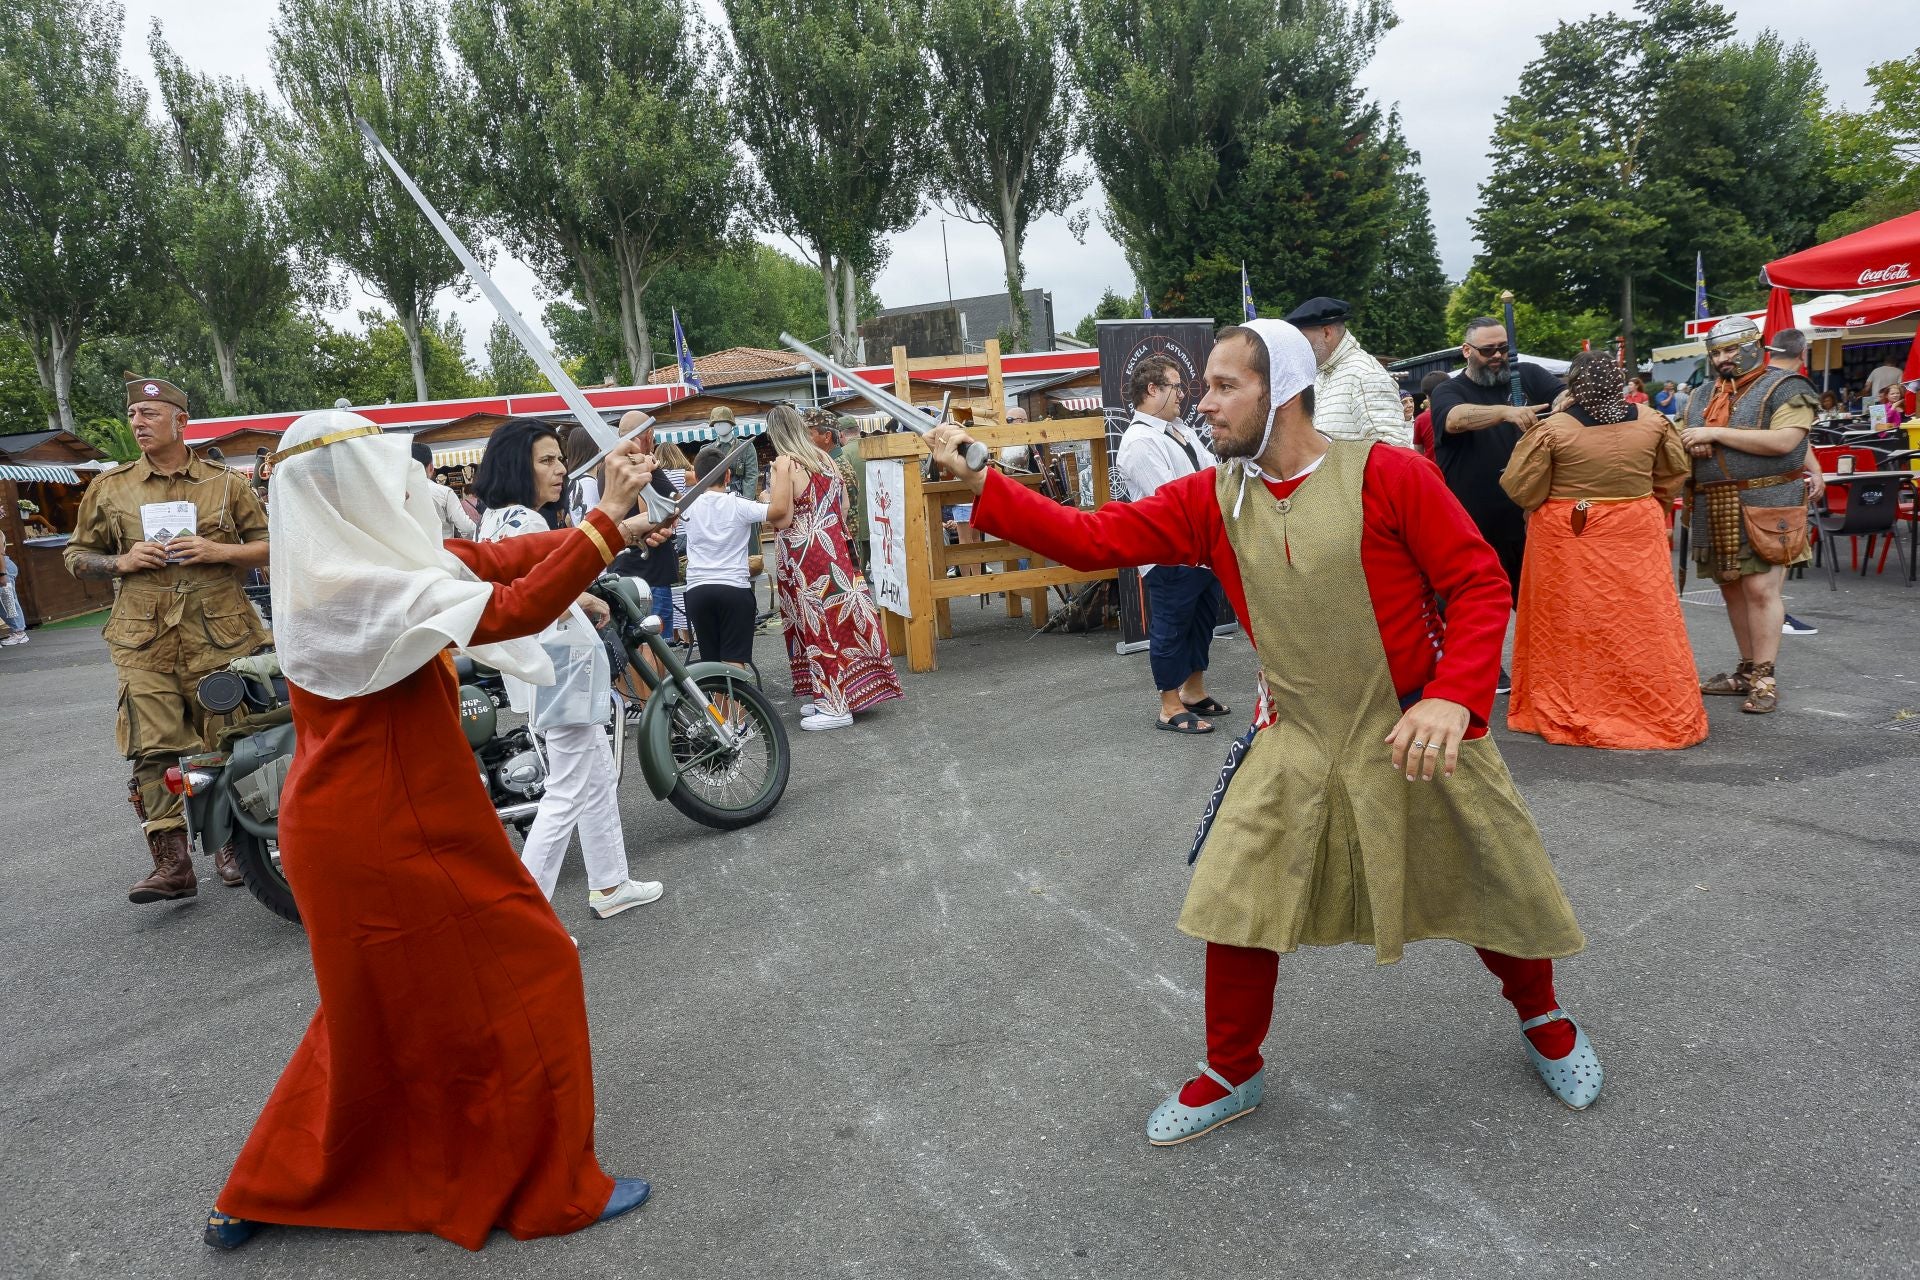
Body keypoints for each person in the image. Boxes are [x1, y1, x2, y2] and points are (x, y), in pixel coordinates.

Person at [929, 319, 1599, 1145]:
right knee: (1236, 897)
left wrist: (1453, 699)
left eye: (1221, 386)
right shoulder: (1216, 496)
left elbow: (1477, 584)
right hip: (1297, 733)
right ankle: (1230, 1071)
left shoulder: (1390, 475)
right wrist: (986, 479)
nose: (1202, 403)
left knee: (1492, 880)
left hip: (1414, 729)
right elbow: (1094, 537)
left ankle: (1544, 1019)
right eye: (1204, 387)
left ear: (1279, 390)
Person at [205, 411, 654, 1253]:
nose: (401, 479)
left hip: (347, 824)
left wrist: (615, 528)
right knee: (535, 970)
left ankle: (260, 1187)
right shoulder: (360, 586)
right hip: (393, 825)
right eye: (381, 469)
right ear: (349, 487)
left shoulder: (341, 566)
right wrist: (598, 527)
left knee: (365, 1014)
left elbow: (485, 561)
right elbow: (511, 608)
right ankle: (553, 1190)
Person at [62, 373, 271, 900]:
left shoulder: (226, 484)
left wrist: (220, 552)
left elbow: (272, 544)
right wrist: (121, 560)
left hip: (220, 637)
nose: (138, 423)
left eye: (150, 415)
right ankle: (171, 864)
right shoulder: (111, 488)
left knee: (229, 742)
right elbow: (76, 555)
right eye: (133, 415)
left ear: (181, 422)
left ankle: (233, 848)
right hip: (143, 639)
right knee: (151, 750)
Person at [472, 418, 663, 920]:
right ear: (519, 466)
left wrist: (581, 597)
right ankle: (525, 920)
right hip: (559, 666)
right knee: (569, 787)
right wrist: (582, 594)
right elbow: (542, 594)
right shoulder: (526, 522)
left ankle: (610, 882)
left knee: (595, 772)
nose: (560, 469)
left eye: (559, 458)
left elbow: (527, 585)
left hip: (543, 668)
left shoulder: (493, 519)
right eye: (547, 460)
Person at [1499, 352, 1705, 750]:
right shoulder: (1654, 422)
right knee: (1643, 620)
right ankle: (1649, 701)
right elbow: (1673, 473)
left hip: (1570, 533)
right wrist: (1641, 500)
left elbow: (1522, 487)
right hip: (1636, 527)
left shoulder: (1553, 429)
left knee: (1568, 622)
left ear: (1574, 386)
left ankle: (1578, 697)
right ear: (1621, 383)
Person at [1681, 315, 1817, 715]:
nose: (1724, 358)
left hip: (1770, 500)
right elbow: (1682, 437)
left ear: (1754, 346)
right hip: (1714, 502)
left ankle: (1765, 676)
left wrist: (1714, 434)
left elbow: (1786, 440)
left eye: (1731, 349)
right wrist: (1691, 444)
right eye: (1717, 351)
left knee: (1761, 590)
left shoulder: (1786, 386)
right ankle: (1745, 669)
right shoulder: (1702, 395)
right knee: (1731, 589)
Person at [1428, 317, 1567, 693]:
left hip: (1528, 518)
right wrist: (1505, 413)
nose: (1497, 357)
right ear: (1467, 351)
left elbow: (1565, 398)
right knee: (1470, 604)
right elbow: (1454, 420)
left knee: (1537, 600)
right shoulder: (1450, 390)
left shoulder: (1530, 375)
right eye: (1488, 350)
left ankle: (1545, 669)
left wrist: (1565, 403)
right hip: (1472, 522)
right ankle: (1479, 671)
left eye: (1503, 349)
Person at [765, 404, 903, 731]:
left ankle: (835, 704)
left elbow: (781, 516)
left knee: (816, 625)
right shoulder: (824, 458)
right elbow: (843, 505)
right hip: (834, 548)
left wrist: (765, 500)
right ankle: (840, 694)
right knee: (838, 621)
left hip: (803, 555)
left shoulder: (785, 464)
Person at [1116, 353, 1230, 734]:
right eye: (1176, 386)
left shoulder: (1179, 429)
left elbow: (1212, 474)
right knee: (1170, 627)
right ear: (1153, 389)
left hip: (1201, 549)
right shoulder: (1139, 440)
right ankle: (1169, 705)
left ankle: (1193, 691)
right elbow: (1167, 499)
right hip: (1169, 554)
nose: (1183, 394)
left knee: (1201, 622)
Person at [683, 443, 793, 669]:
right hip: (733, 588)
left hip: (697, 589)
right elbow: (779, 510)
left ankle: (717, 705)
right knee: (734, 663)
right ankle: (736, 706)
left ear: (695, 476)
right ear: (728, 475)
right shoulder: (738, 504)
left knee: (710, 664)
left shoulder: (686, 507)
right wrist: (780, 472)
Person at [1284, 295, 1412, 448]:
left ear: (1326, 333)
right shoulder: (1321, 376)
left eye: (1303, 338)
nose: (1299, 347)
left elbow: (1392, 451)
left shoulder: (1365, 373)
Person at [411, 441, 475, 539]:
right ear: (431, 467)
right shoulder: (445, 493)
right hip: (443, 550)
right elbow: (467, 528)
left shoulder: (395, 494)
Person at [1411, 370, 1448, 460]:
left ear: (1426, 395)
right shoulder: (1458, 412)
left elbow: (1418, 450)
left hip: (1433, 470)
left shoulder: (1421, 419)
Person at [0, 526, 25, 645]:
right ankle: (17, 631)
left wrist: (2, 574)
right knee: (5, 600)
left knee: (8, 599)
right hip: (4, 567)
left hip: (4, 567)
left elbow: (0, 553)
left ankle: (19, 632)